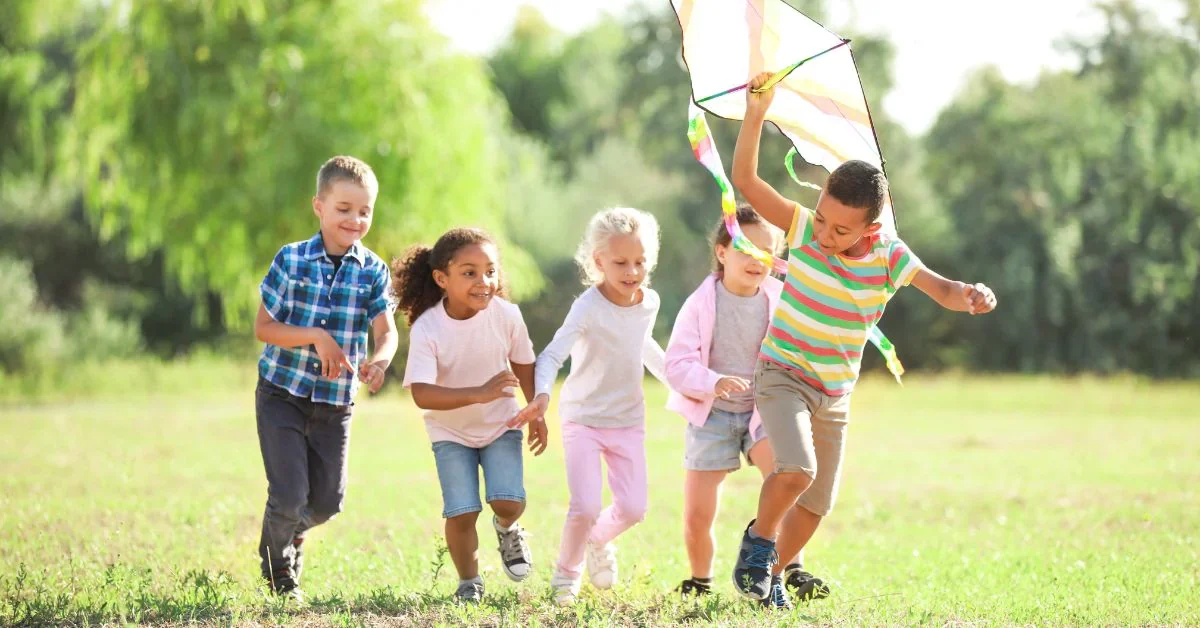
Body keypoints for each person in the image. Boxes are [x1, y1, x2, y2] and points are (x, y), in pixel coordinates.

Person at [728, 72, 999, 608]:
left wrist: (970, 294)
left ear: (873, 229)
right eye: (824, 219)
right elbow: (747, 181)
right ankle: (757, 545)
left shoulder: (891, 257)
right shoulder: (803, 228)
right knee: (796, 470)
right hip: (783, 375)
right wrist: (757, 114)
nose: (826, 235)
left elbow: (940, 288)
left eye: (841, 230)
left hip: (834, 395)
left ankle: (774, 575)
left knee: (817, 503)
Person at [253, 155, 399, 601]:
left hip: (336, 403)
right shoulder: (291, 259)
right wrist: (316, 336)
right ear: (319, 206)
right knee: (289, 494)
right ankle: (279, 572)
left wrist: (381, 359)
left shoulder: (372, 269)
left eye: (365, 211)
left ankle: (290, 533)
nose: (355, 220)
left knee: (326, 503)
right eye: (344, 209)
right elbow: (264, 328)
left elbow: (387, 330)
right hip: (282, 393)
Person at [665, 203, 827, 606]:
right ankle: (700, 579)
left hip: (764, 410)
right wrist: (713, 382)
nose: (757, 259)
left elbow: (802, 342)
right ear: (722, 252)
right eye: (745, 248)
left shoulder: (780, 297)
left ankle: (788, 569)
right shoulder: (701, 303)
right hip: (712, 416)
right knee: (697, 513)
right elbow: (677, 365)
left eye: (767, 251)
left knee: (787, 481)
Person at [515, 207, 667, 606]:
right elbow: (549, 356)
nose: (632, 271)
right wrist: (542, 394)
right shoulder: (587, 307)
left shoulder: (648, 302)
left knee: (634, 508)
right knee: (584, 505)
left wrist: (682, 381)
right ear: (598, 261)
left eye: (640, 262)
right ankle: (566, 576)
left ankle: (598, 540)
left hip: (628, 420)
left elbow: (644, 346)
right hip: (582, 417)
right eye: (620, 262)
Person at [394, 227, 548, 603]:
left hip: (501, 424)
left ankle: (508, 528)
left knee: (508, 501)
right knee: (462, 511)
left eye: (490, 271)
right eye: (470, 272)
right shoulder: (428, 327)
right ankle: (469, 582)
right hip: (450, 434)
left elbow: (524, 363)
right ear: (441, 278)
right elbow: (422, 394)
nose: (484, 281)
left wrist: (535, 410)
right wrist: (478, 394)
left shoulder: (506, 315)